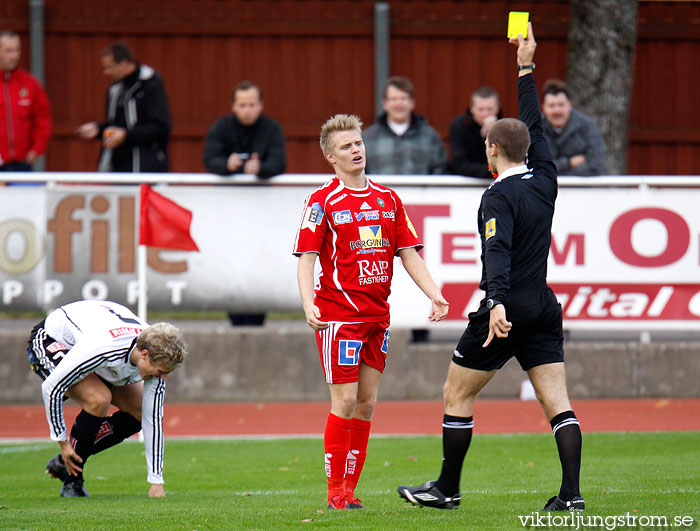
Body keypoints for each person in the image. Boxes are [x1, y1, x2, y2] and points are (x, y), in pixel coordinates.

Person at [397, 23, 584, 512]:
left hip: (507, 307)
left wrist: (495, 301)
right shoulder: (546, 178)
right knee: (558, 405)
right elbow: (533, 126)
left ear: (491, 150)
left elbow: (495, 252)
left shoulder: (496, 195)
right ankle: (571, 495)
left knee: (456, 395)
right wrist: (526, 67)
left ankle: (446, 489)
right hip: (544, 305)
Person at [294, 114, 449, 510]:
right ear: (331, 156)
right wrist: (309, 303)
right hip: (339, 319)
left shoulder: (388, 198)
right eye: (346, 146)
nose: (356, 149)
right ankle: (335, 493)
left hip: (377, 319)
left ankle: (350, 491)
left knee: (366, 404)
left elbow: (409, 254)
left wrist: (435, 293)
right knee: (343, 402)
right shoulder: (322, 201)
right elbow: (306, 259)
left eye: (358, 143)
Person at [26, 300, 187, 498]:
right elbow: (52, 387)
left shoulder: (154, 359)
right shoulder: (104, 348)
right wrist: (63, 443)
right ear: (144, 355)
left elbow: (152, 418)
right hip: (53, 339)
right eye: (161, 371)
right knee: (99, 399)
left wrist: (156, 482)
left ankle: (65, 463)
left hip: (97, 347)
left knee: (139, 411)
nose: (163, 377)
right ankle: (73, 482)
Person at [76, 42, 171, 173]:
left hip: (145, 166)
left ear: (124, 63)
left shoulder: (150, 86)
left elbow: (161, 127)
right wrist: (98, 129)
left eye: (110, 67)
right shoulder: (115, 89)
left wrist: (126, 136)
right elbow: (115, 124)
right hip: (118, 166)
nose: (106, 72)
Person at [363, 76, 447, 175]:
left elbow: (441, 170)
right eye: (394, 99)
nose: (399, 104)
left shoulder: (429, 136)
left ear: (412, 103)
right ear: (385, 103)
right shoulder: (368, 137)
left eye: (403, 98)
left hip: (420, 191)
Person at [202, 80, 285, 179]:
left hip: (262, 191)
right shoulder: (221, 126)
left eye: (252, 105)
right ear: (233, 106)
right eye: (242, 105)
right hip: (227, 191)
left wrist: (261, 168)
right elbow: (210, 159)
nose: (247, 111)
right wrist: (227, 164)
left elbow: (279, 163)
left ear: (261, 105)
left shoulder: (272, 128)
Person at [0, 30, 52, 173]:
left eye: (17, 50)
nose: (14, 56)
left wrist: (37, 149)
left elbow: (43, 119)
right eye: (8, 51)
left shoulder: (29, 84)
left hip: (21, 165)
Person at [541, 78, 605, 176]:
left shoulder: (587, 126)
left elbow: (596, 166)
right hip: (544, 190)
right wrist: (569, 163)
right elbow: (534, 168)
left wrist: (553, 171)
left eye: (561, 105)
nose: (557, 111)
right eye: (551, 106)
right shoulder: (535, 129)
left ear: (570, 105)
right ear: (543, 107)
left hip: (582, 190)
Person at [449, 86, 501, 178]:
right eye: (480, 109)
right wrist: (494, 172)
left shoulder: (506, 128)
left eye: (490, 109)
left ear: (497, 109)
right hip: (466, 184)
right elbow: (461, 166)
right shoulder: (459, 126)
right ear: (471, 109)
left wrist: (494, 133)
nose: (485, 114)